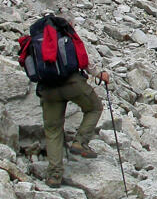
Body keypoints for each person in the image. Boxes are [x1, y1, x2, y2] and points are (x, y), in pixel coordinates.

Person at [36, 13, 109, 188]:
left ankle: (54, 176)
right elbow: (83, 61)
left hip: (47, 89)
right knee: (95, 108)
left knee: (53, 130)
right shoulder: (68, 36)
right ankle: (80, 142)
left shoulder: (39, 40)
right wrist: (100, 74)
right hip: (72, 83)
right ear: (68, 24)